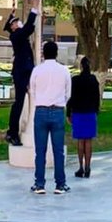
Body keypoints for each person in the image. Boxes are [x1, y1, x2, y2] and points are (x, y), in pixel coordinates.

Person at [28, 40, 72, 195]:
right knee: (58, 150)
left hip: (40, 111)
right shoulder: (64, 70)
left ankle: (39, 184)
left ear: (43, 53)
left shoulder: (37, 70)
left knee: (40, 151)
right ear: (56, 53)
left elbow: (32, 91)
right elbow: (68, 94)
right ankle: (60, 184)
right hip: (58, 111)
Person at [4, 8, 39, 147]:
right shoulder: (16, 35)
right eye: (16, 22)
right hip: (21, 73)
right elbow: (28, 28)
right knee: (18, 104)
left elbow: (29, 29)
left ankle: (13, 132)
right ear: (12, 27)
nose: (18, 23)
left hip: (26, 71)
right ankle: (13, 133)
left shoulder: (19, 34)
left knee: (20, 103)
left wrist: (11, 15)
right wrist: (34, 10)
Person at [68, 57, 100, 178]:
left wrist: (68, 113)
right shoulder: (93, 80)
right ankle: (88, 167)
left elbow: (71, 97)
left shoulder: (75, 80)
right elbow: (97, 98)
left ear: (80, 67)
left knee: (81, 141)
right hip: (90, 112)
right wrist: (96, 111)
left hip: (78, 112)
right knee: (89, 141)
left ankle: (80, 167)